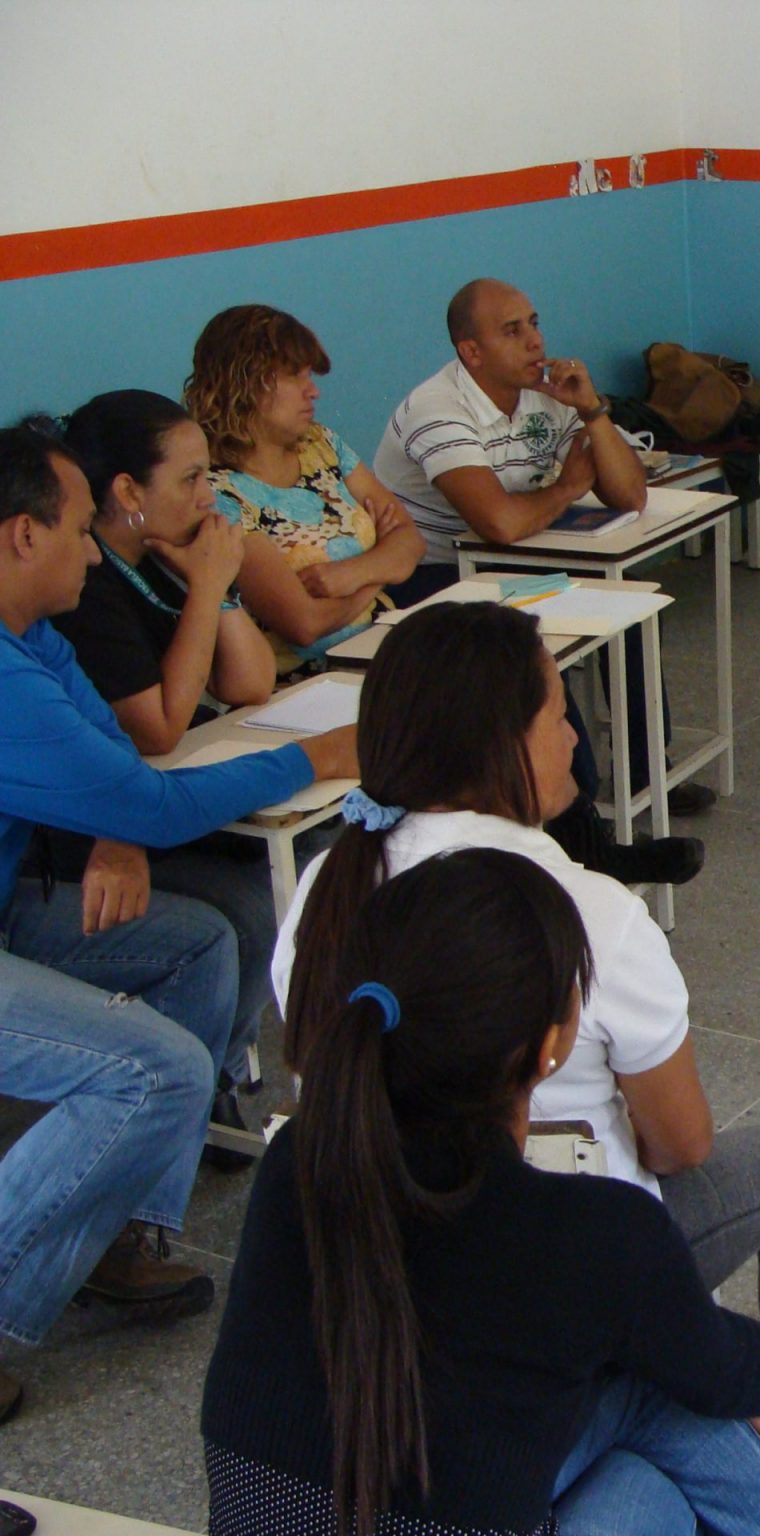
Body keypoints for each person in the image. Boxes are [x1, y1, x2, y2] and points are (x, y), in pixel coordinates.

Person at [271, 600, 760, 1487]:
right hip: (562, 1257)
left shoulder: (322, 893)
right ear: (502, 745)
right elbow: (681, 1147)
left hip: (384, 1251)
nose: (573, 737)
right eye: (559, 714)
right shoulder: (587, 912)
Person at [203, 847, 760, 1535]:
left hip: (286, 1513)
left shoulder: (299, 1159)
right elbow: (719, 1368)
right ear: (551, 1045)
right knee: (651, 1396)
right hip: (440, 1497)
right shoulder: (592, 1235)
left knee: (642, 1486)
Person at [0, 419, 355, 1423]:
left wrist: (115, 824)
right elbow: (140, 795)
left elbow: (118, 772)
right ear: (22, 536)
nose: (90, 549)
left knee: (199, 945)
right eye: (76, 530)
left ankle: (112, 1226)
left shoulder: (33, 635)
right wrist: (316, 757)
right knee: (156, 1066)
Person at [371, 279, 713, 823]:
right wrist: (565, 490)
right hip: (435, 576)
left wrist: (593, 412)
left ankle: (647, 769)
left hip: (510, 564)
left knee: (628, 613)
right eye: (513, 331)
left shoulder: (542, 397)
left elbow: (630, 495)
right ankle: (574, 805)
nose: (535, 341)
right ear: (471, 352)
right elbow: (500, 524)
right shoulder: (436, 409)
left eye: (534, 323)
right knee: (534, 656)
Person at [51, 390, 281, 1152]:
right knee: (245, 910)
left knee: (300, 856)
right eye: (189, 480)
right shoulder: (87, 590)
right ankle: (208, 1076)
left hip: (159, 797)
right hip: (89, 831)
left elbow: (251, 684)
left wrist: (223, 583)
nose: (208, 496)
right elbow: (157, 726)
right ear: (126, 494)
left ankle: (219, 1060)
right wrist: (210, 585)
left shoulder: (167, 559)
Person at [185, 304, 425, 676]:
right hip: (303, 681)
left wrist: (349, 575)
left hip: (382, 646)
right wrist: (378, 573)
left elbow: (410, 541)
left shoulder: (321, 444)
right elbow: (304, 624)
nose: (312, 391)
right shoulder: (218, 492)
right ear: (244, 382)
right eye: (295, 376)